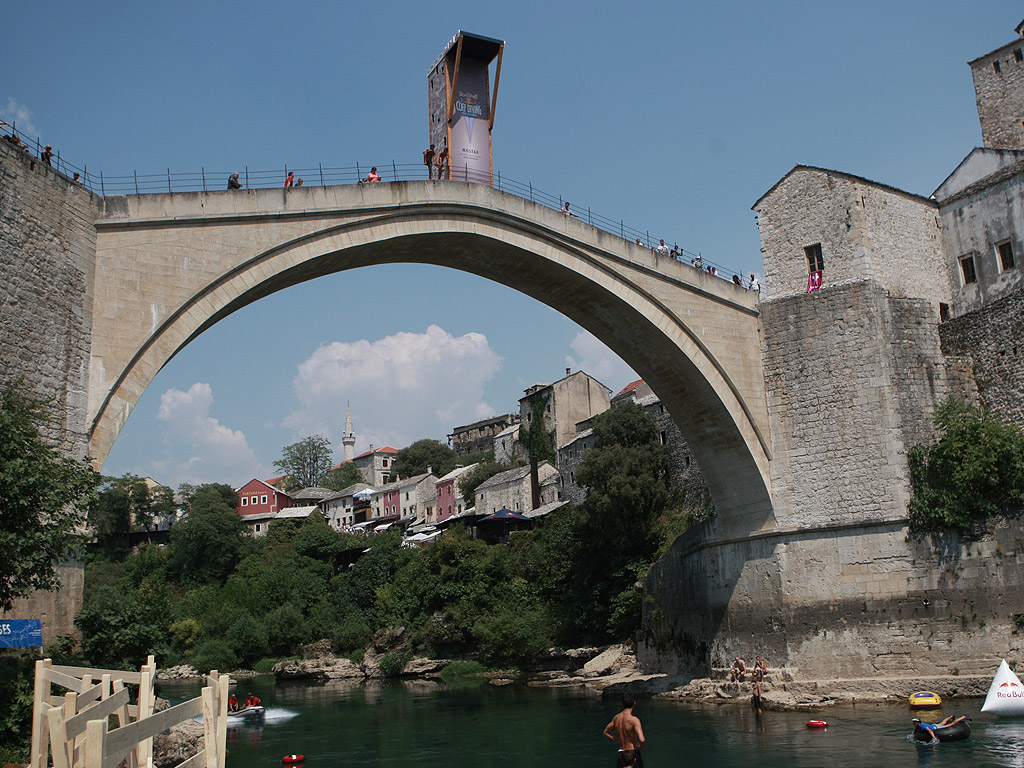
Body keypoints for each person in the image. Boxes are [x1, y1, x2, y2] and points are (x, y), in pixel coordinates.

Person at [603, 695, 645, 768]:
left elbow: (606, 732)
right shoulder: (634, 720)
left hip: (621, 752)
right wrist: (640, 747)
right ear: (634, 703)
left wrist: (616, 739)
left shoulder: (617, 718)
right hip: (632, 753)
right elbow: (642, 739)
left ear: (622, 704)